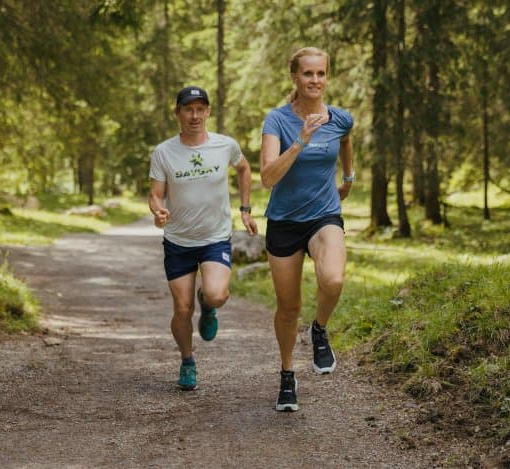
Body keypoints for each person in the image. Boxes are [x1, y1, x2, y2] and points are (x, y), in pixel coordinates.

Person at [259, 47, 355, 412]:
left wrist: (347, 177)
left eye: (320, 74)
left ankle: (319, 329)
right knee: (287, 307)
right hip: (283, 221)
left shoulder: (340, 118)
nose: (315, 81)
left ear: (327, 77)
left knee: (332, 280)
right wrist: (300, 139)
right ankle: (287, 375)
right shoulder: (277, 121)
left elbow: (346, 140)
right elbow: (268, 177)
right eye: (307, 74)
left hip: (323, 215)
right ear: (294, 78)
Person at [149, 85, 258, 391]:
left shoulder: (225, 146)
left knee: (217, 295)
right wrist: (158, 210)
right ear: (178, 113)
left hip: (215, 237)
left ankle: (207, 305)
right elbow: (155, 194)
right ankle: (187, 361)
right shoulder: (164, 152)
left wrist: (246, 209)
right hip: (179, 241)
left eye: (200, 109)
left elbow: (244, 167)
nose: (194, 115)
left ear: (208, 111)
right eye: (188, 109)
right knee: (182, 310)